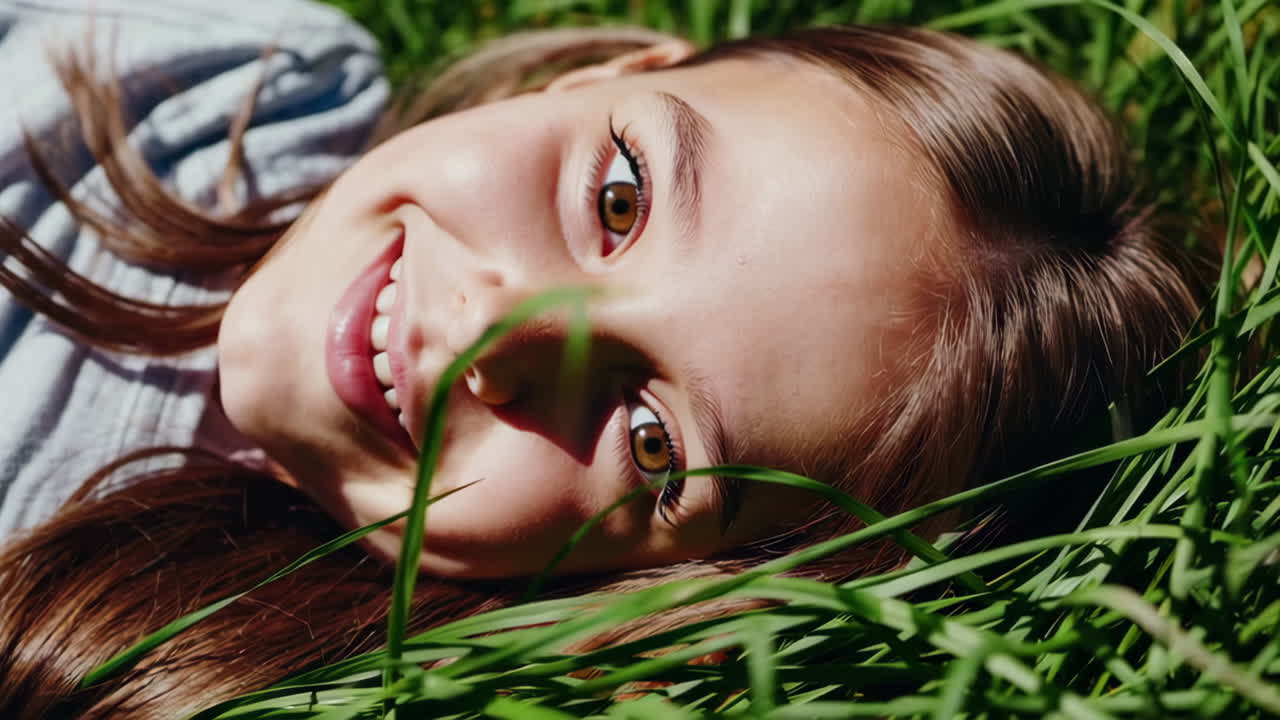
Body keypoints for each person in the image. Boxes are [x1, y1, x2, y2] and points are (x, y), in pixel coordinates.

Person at [0, 2, 1204, 718]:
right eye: (617, 195)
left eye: (650, 444)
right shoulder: (234, 64)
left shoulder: (173, 671)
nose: (490, 335)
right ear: (604, 76)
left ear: (653, 591)